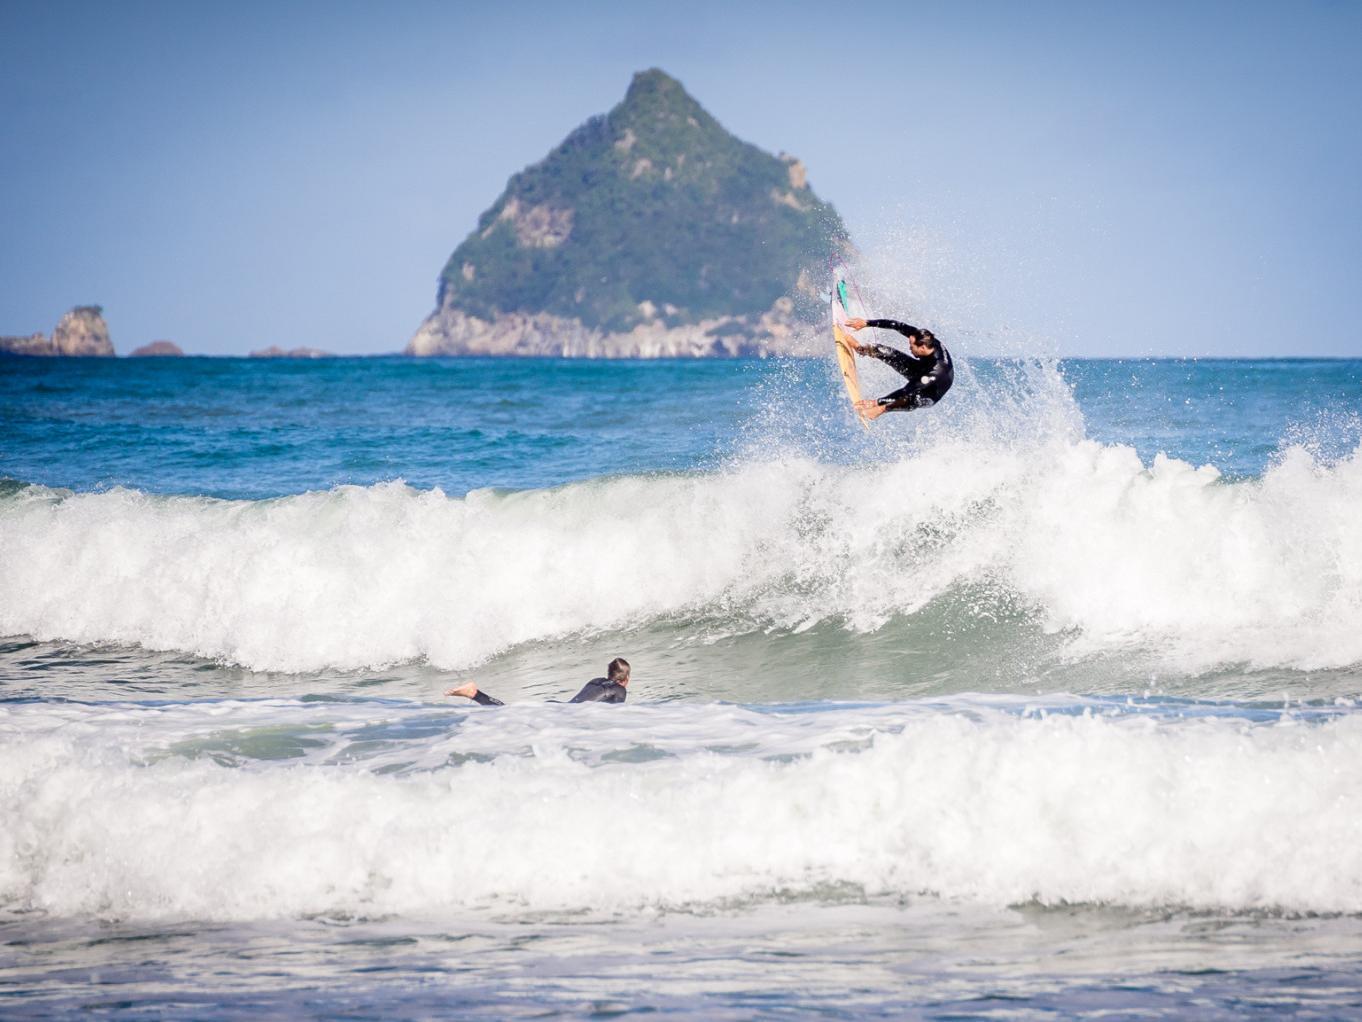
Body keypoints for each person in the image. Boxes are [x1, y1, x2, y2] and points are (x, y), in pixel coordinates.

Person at [840, 317, 954, 421]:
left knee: (913, 398)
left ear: (922, 348)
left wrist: (877, 402)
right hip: (920, 369)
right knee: (883, 351)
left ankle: (882, 409)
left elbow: (906, 390)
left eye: (912, 347)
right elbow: (897, 325)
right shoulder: (925, 338)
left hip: (931, 392)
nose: (909, 348)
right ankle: (861, 349)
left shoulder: (937, 370)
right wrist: (867, 323)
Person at [444, 657, 631, 707]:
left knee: (509, 713)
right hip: (566, 717)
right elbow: (614, 717)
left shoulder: (596, 681)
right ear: (626, 679)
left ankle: (476, 694)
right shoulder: (620, 691)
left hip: (557, 707)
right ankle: (474, 693)